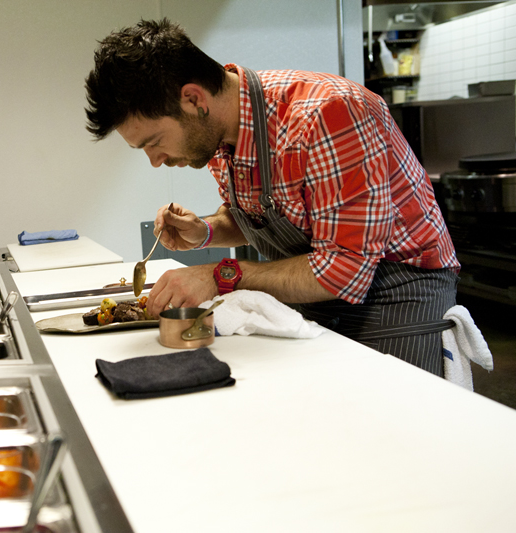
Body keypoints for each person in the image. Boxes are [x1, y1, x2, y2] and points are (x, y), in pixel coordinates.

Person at [84, 18, 460, 376]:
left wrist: (220, 275)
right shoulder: (220, 137)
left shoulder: (328, 114)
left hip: (396, 299)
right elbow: (267, 217)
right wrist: (206, 231)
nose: (155, 161)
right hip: (316, 298)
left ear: (193, 99)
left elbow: (343, 269)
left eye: (154, 142)